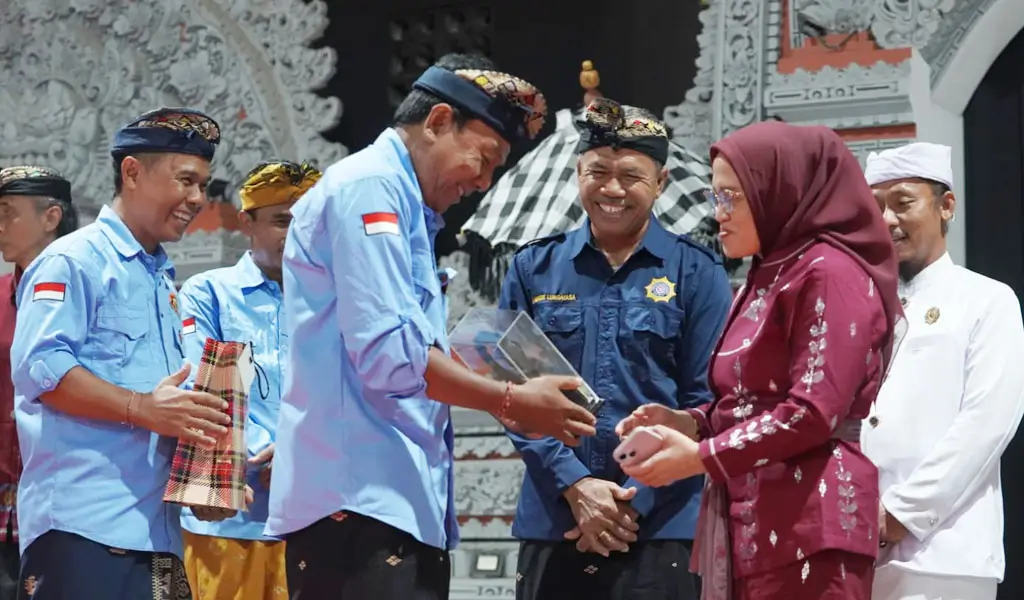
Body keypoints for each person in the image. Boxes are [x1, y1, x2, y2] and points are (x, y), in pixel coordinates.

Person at [266, 53, 599, 599]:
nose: (485, 182)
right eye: (484, 159)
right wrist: (511, 398)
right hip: (358, 500)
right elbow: (391, 360)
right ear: (439, 121)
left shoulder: (409, 209)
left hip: (394, 499)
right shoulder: (368, 189)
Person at [617, 121, 905, 599]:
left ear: (779, 190)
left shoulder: (829, 273)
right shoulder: (767, 275)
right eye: (717, 197)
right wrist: (689, 423)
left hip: (812, 526)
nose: (719, 213)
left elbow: (813, 410)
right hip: (756, 521)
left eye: (733, 197)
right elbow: (749, 400)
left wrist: (701, 458)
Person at [501, 97, 732, 600]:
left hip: (664, 526)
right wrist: (576, 486)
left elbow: (710, 401)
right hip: (555, 517)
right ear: (578, 171)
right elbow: (511, 393)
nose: (612, 189)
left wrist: (633, 501)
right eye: (598, 171)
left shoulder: (698, 272)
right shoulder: (531, 269)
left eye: (631, 175)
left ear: (661, 183)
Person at [11, 108, 238, 600]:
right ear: (132, 172)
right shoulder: (73, 260)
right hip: (83, 531)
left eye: (203, 185)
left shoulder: (162, 279)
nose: (197, 199)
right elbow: (41, 368)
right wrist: (142, 410)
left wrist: (209, 476)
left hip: (157, 534)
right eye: (186, 180)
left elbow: (167, 401)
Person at [861, 143, 1024, 600]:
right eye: (876, 208)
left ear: (946, 206)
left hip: (945, 555)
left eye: (903, 202)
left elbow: (987, 424)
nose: (887, 219)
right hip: (853, 549)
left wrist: (898, 514)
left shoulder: (986, 300)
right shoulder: (861, 306)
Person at [178, 160, 321, 600]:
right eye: (281, 221)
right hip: (228, 516)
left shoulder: (331, 299)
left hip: (315, 516)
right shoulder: (209, 294)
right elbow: (198, 384)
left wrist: (302, 450)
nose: (295, 234)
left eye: (306, 222)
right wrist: (269, 452)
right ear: (246, 222)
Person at [0, 166, 79, 600]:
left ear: (51, 217)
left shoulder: (85, 293)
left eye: (8, 212)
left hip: (61, 493)